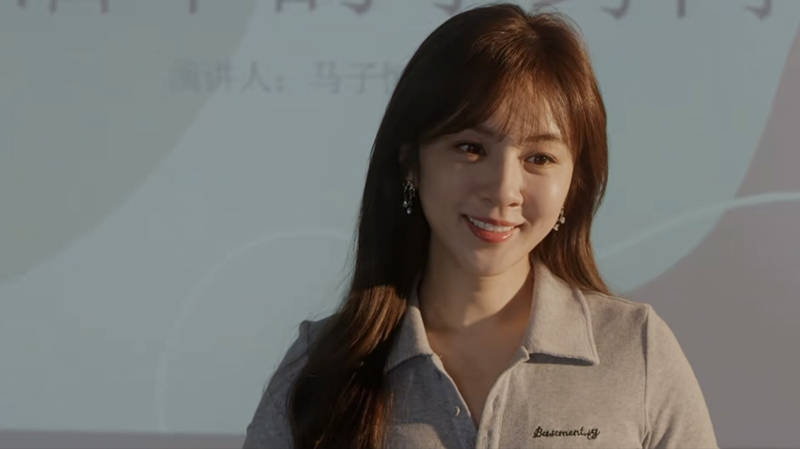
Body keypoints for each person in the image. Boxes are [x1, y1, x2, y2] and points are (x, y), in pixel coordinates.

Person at [243, 3, 719, 448]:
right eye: (471, 148)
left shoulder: (636, 350)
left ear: (574, 184)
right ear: (411, 163)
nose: (503, 189)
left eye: (539, 158)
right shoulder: (321, 367)